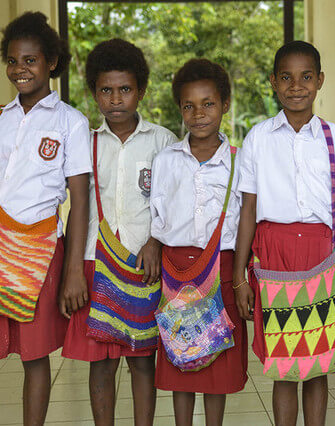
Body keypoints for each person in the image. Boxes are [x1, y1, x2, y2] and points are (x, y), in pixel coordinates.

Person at [0, 11, 91, 425]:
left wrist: (73, 270)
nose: (20, 69)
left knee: (35, 358)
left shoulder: (70, 123)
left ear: (51, 63)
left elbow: (79, 202)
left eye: (30, 60)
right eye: (13, 60)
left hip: (39, 255)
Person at [233, 41, 335, 426]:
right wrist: (238, 276)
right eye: (287, 78)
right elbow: (247, 210)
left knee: (319, 361)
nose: (297, 86)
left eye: (306, 77)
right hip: (273, 255)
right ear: (274, 83)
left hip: (324, 256)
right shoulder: (258, 139)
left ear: (320, 81)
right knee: (284, 363)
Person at [61, 38, 176, 426]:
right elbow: (77, 208)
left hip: (145, 266)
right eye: (106, 90)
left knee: (143, 361)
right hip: (96, 264)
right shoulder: (85, 144)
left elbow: (172, 204)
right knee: (101, 364)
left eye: (124, 89)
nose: (115, 99)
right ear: (94, 92)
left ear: (140, 90)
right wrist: (72, 269)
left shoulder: (163, 142)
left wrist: (156, 242)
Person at [150, 58, 248, 426]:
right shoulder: (166, 160)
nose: (199, 113)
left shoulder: (240, 162)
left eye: (208, 103)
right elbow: (157, 217)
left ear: (224, 105)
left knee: (216, 367)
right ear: (180, 109)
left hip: (222, 268)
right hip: (177, 270)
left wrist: (241, 279)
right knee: (181, 357)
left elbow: (245, 222)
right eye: (189, 106)